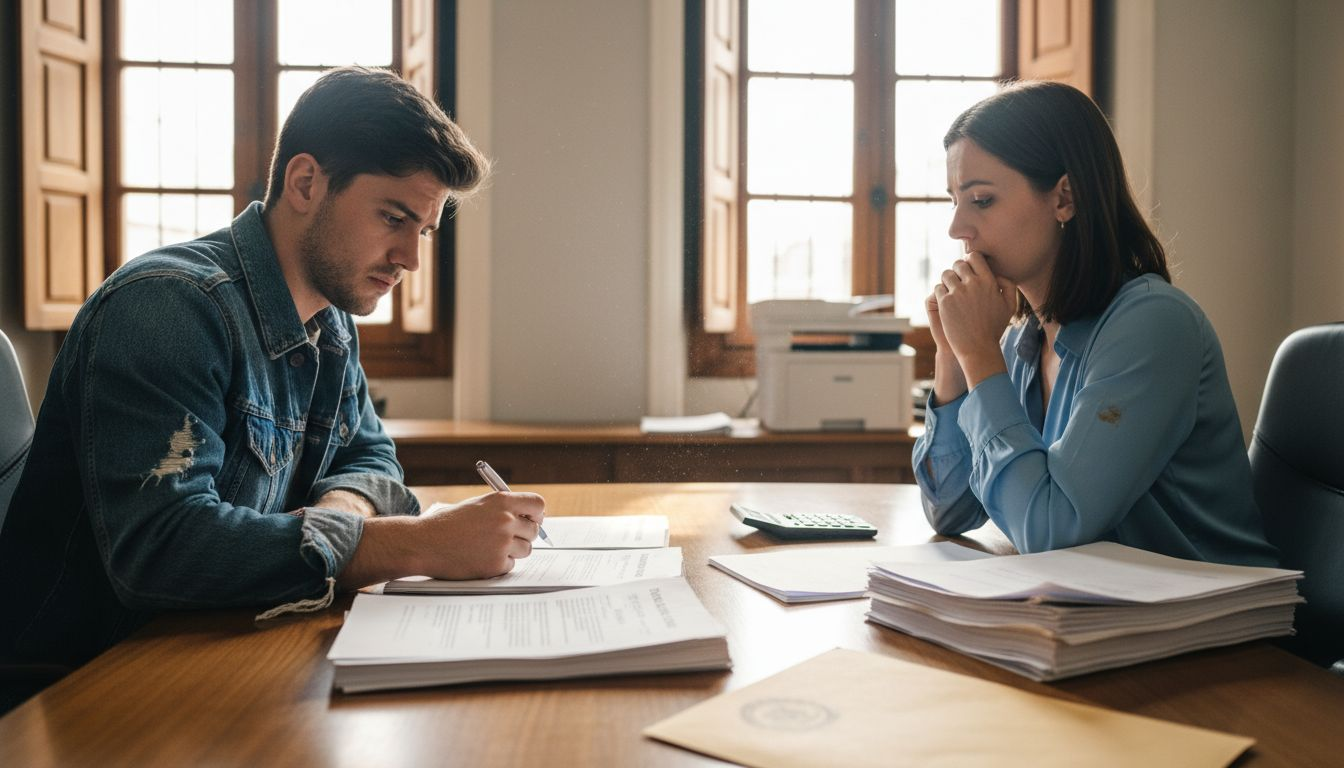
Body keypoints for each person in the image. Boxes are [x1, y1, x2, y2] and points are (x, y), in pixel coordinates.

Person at [0, 67, 545, 678]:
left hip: (221, 646)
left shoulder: (329, 321)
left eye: (422, 230)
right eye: (393, 218)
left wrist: (335, 519)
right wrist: (417, 543)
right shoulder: (164, 309)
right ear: (307, 182)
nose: (410, 259)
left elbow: (372, 462)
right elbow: (161, 551)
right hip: (88, 685)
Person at [914, 80, 1277, 568]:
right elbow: (950, 509)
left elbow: (1050, 533)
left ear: (1065, 198)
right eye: (953, 201)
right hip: (1100, 617)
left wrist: (979, 354)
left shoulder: (1154, 325)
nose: (957, 228)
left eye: (981, 200)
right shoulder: (1026, 338)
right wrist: (952, 356)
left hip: (1209, 626)